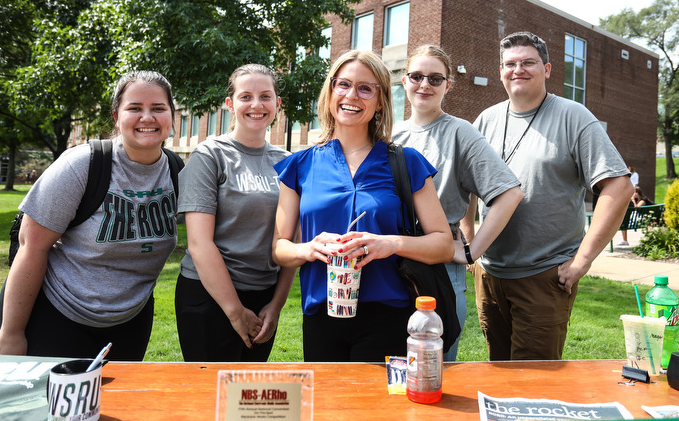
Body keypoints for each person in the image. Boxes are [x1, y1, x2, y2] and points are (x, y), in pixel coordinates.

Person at [272, 50, 453, 362]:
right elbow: (280, 248)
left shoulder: (406, 162)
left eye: (365, 88)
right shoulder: (299, 166)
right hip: (322, 315)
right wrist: (310, 248)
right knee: (328, 408)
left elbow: (443, 245)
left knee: (383, 410)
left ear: (380, 101)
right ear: (329, 93)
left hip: (390, 314)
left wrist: (390, 243)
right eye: (343, 85)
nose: (351, 96)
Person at [0, 71, 180, 360]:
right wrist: (10, 334)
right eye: (134, 108)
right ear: (116, 116)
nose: (147, 117)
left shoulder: (178, 172)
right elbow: (31, 247)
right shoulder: (83, 165)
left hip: (131, 321)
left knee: (115, 405)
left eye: (158, 108)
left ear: (172, 116)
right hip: (57, 314)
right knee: (54, 405)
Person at [471, 31, 634, 360]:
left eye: (528, 62)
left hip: (544, 276)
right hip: (489, 275)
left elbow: (619, 188)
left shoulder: (574, 117)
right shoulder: (486, 120)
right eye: (510, 64)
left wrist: (583, 260)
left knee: (534, 384)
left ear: (547, 69)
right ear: (500, 70)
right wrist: (468, 241)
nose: (518, 69)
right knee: (497, 372)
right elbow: (467, 183)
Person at [392, 44, 522, 361]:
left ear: (448, 85)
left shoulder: (459, 132)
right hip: (390, 262)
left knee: (435, 367)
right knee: (392, 366)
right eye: (417, 76)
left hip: (439, 267)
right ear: (404, 81)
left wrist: (471, 250)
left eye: (435, 79)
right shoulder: (388, 134)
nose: (425, 85)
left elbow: (510, 192)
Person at [175, 64, 295, 362]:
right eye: (246, 97)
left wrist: (276, 306)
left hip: (265, 296)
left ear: (277, 104)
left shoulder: (288, 162)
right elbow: (199, 244)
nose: (256, 105)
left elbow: (291, 241)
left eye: (266, 96)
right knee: (209, 397)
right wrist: (235, 311)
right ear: (229, 105)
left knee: (246, 400)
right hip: (209, 296)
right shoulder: (209, 155)